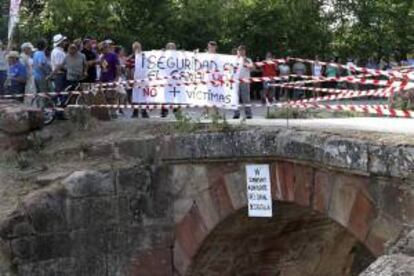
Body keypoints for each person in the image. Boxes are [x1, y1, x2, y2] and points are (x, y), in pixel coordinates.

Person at [234, 45, 253, 119]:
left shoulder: (248, 59)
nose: (241, 52)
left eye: (242, 50)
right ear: (237, 51)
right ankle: (236, 113)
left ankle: (248, 114)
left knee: (246, 98)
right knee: (235, 97)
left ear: (245, 51)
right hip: (235, 81)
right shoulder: (234, 59)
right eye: (239, 50)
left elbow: (252, 68)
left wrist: (245, 61)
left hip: (245, 81)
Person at [161, 42, 178, 118]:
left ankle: (176, 110)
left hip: (176, 80)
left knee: (177, 95)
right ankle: (164, 110)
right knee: (165, 96)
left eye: (172, 47)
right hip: (166, 79)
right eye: (169, 47)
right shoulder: (164, 56)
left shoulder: (178, 56)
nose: (171, 48)